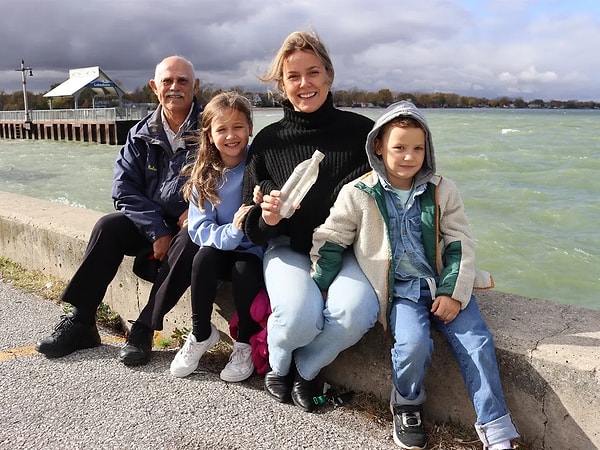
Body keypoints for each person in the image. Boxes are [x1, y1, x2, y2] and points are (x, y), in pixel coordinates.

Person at [310, 100, 520, 449]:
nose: (409, 156)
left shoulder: (442, 189)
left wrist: (453, 292)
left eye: (418, 148)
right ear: (378, 146)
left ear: (428, 149)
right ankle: (406, 405)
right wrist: (318, 286)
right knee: (412, 346)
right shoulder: (359, 193)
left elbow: (459, 241)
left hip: (441, 282)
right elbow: (332, 239)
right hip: (401, 292)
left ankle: (496, 428)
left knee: (478, 343)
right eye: (399, 147)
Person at [241, 30, 380, 412]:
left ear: (329, 76)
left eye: (313, 72)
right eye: (293, 76)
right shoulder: (268, 142)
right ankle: (278, 363)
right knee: (300, 318)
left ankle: (306, 368)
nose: (305, 84)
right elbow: (249, 224)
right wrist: (267, 217)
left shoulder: (364, 134)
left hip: (347, 248)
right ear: (281, 85)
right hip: (289, 246)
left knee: (355, 312)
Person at [36, 56, 203, 367]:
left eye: (182, 81)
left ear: (195, 86)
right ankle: (83, 321)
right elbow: (123, 190)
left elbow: (231, 172)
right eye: (167, 81)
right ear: (155, 87)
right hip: (152, 223)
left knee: (190, 237)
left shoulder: (212, 128)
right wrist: (158, 230)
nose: (175, 87)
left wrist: (198, 207)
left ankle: (143, 329)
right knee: (108, 226)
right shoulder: (140, 133)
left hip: (192, 224)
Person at [169, 91, 264, 382]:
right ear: (209, 135)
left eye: (238, 127)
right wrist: (232, 232)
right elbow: (198, 228)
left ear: (249, 128)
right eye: (222, 129)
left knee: (244, 269)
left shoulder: (259, 165)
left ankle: (244, 343)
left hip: (252, 251)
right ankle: (201, 333)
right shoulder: (205, 174)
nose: (231, 136)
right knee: (204, 258)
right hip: (222, 244)